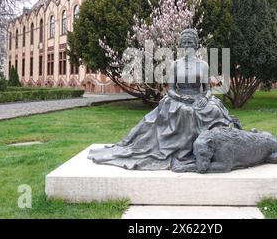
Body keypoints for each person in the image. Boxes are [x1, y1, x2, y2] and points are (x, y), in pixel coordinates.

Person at [87, 29, 234, 170]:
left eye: (191, 43)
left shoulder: (203, 65)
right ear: (182, 46)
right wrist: (180, 97)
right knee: (186, 112)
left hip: (199, 97)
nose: (188, 46)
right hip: (179, 98)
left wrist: (205, 98)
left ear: (196, 45)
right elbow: (170, 89)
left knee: (214, 110)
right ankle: (184, 151)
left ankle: (215, 148)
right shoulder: (176, 65)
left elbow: (207, 89)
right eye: (185, 43)